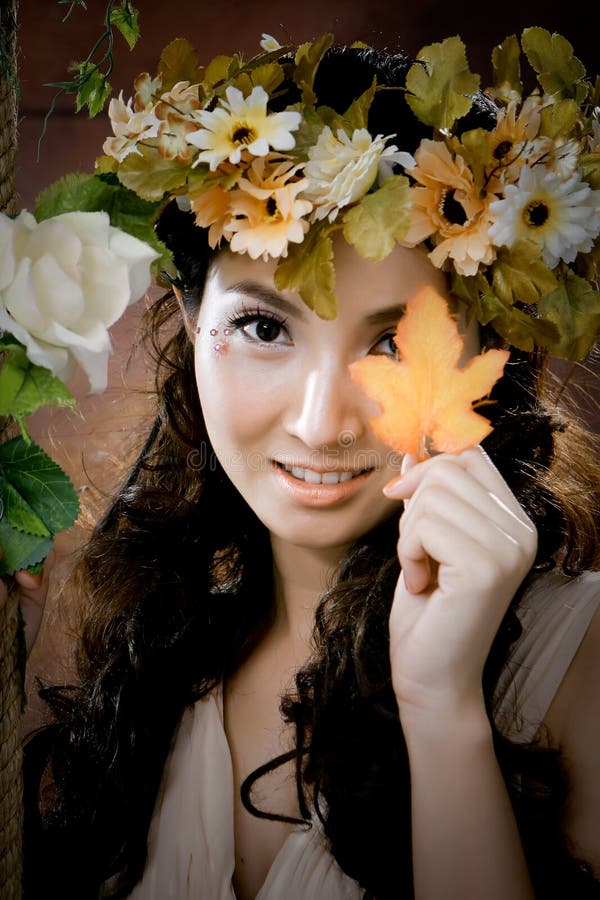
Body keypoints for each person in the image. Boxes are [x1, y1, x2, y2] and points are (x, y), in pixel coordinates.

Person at [12, 31, 600, 900]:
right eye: (263, 328)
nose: (323, 423)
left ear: (492, 351)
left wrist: (443, 714)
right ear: (188, 315)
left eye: (397, 341)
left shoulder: (579, 660)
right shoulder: (145, 635)